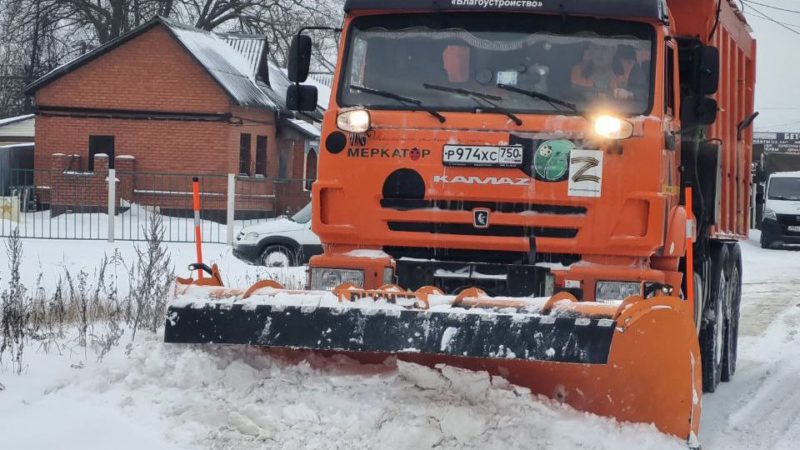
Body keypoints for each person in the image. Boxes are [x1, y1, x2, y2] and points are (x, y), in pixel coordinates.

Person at [571, 42, 636, 100]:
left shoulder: (626, 72)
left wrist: (629, 95)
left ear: (614, 50)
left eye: (604, 48)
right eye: (596, 48)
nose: (599, 52)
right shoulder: (578, 73)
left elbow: (643, 94)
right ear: (590, 50)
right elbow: (568, 95)